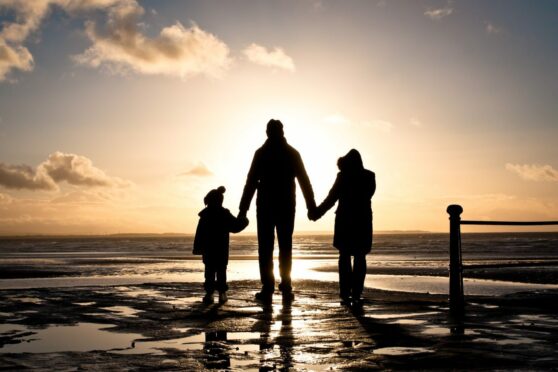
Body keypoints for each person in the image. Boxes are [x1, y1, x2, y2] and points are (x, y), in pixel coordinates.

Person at [238, 119, 316, 302]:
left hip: (269, 205)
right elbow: (304, 181)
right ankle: (283, 284)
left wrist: (243, 210)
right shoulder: (290, 153)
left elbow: (250, 183)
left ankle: (270, 286)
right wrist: (311, 206)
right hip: (284, 205)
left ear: (269, 132)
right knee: (283, 245)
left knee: (267, 246)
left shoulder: (263, 153)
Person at [311, 149, 376, 307]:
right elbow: (367, 195)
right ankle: (357, 292)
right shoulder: (369, 176)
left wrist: (317, 212)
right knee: (360, 257)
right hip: (362, 221)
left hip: (345, 221)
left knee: (345, 257)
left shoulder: (343, 176)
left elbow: (332, 197)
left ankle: (346, 292)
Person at [194, 186, 249, 304]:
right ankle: (221, 293)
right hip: (221, 249)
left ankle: (211, 293)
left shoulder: (206, 215)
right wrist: (244, 221)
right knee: (220, 271)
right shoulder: (223, 214)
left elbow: (199, 234)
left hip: (209, 250)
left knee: (210, 271)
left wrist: (198, 248)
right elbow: (235, 226)